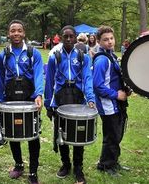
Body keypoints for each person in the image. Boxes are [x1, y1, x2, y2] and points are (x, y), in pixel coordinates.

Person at [44, 25, 95, 184]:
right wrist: (48, 104)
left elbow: (87, 78)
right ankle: (66, 163)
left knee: (79, 133)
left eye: (71, 36)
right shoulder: (54, 57)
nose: (68, 39)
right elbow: (49, 81)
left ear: (75, 37)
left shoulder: (83, 57)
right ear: (60, 37)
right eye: (65, 36)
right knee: (62, 133)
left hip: (78, 98)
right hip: (60, 98)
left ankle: (78, 167)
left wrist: (91, 98)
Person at [0, 20, 44, 184]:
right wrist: (1, 101)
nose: (16, 33)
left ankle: (33, 171)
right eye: (13, 31)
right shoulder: (2, 55)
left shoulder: (33, 53)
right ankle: (18, 165)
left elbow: (38, 74)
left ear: (24, 33)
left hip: (29, 98)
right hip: (10, 100)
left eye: (19, 31)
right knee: (13, 134)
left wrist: (39, 94)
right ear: (8, 34)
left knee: (33, 135)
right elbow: (0, 79)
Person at [92, 26, 131, 176]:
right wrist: (116, 95)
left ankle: (112, 161)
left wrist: (126, 90)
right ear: (99, 41)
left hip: (116, 104)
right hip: (108, 105)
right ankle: (106, 166)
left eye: (111, 38)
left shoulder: (112, 56)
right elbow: (98, 86)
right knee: (112, 137)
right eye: (105, 39)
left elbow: (115, 79)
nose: (110, 42)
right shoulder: (102, 60)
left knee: (117, 135)